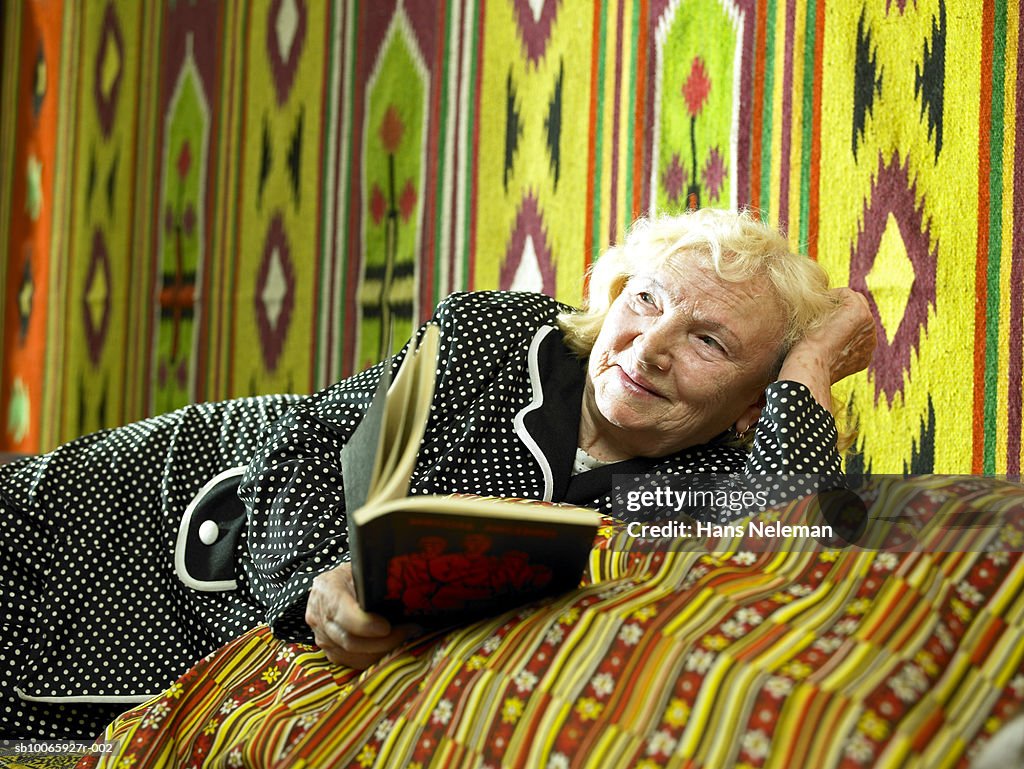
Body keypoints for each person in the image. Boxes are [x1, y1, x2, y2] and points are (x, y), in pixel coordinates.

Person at [0, 208, 875, 737]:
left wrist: (808, 371)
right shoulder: (497, 334)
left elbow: (791, 567)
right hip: (150, 524)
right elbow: (309, 446)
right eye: (646, 298)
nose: (647, 348)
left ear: (753, 405)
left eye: (708, 339)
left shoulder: (712, 487)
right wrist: (316, 581)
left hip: (214, 681)